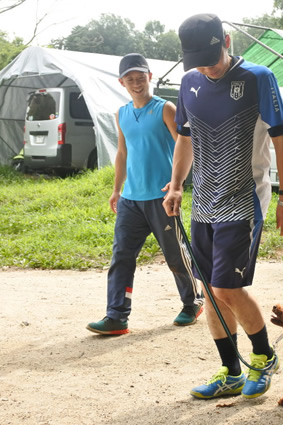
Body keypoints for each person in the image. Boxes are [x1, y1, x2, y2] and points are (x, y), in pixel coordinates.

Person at [162, 14, 283, 399]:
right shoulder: (189, 82)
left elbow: (282, 140)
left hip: (244, 198)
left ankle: (263, 356)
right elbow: (185, 139)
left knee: (227, 285)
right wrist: (176, 186)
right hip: (204, 199)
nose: (207, 66)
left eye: (212, 55)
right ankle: (231, 371)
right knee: (209, 289)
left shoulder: (257, 77)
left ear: (226, 39)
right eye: (198, 60)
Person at [87, 53, 204, 335]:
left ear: (149, 77)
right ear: (122, 82)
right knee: (121, 257)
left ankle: (193, 301)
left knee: (175, 255)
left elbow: (187, 146)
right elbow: (123, 153)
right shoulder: (122, 113)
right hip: (130, 199)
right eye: (131, 79)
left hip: (161, 197)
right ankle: (116, 315)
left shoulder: (165, 109)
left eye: (141, 78)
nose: (137, 83)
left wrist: (178, 184)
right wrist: (116, 189)